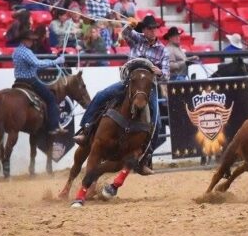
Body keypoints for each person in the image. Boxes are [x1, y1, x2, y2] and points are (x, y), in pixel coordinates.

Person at [74, 15, 168, 175]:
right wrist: (131, 24)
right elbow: (125, 33)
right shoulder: (137, 39)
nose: (151, 31)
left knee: (157, 123)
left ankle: (146, 157)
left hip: (147, 89)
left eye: (153, 28)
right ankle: (85, 129)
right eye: (148, 28)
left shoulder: (162, 50)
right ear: (144, 30)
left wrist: (159, 72)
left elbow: (166, 74)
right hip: (128, 84)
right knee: (101, 95)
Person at [12, 29, 66, 135]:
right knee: (50, 98)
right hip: (30, 80)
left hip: (18, 80)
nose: (32, 42)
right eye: (30, 40)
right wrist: (56, 61)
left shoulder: (16, 51)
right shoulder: (26, 52)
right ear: (24, 40)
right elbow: (38, 63)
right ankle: (53, 126)